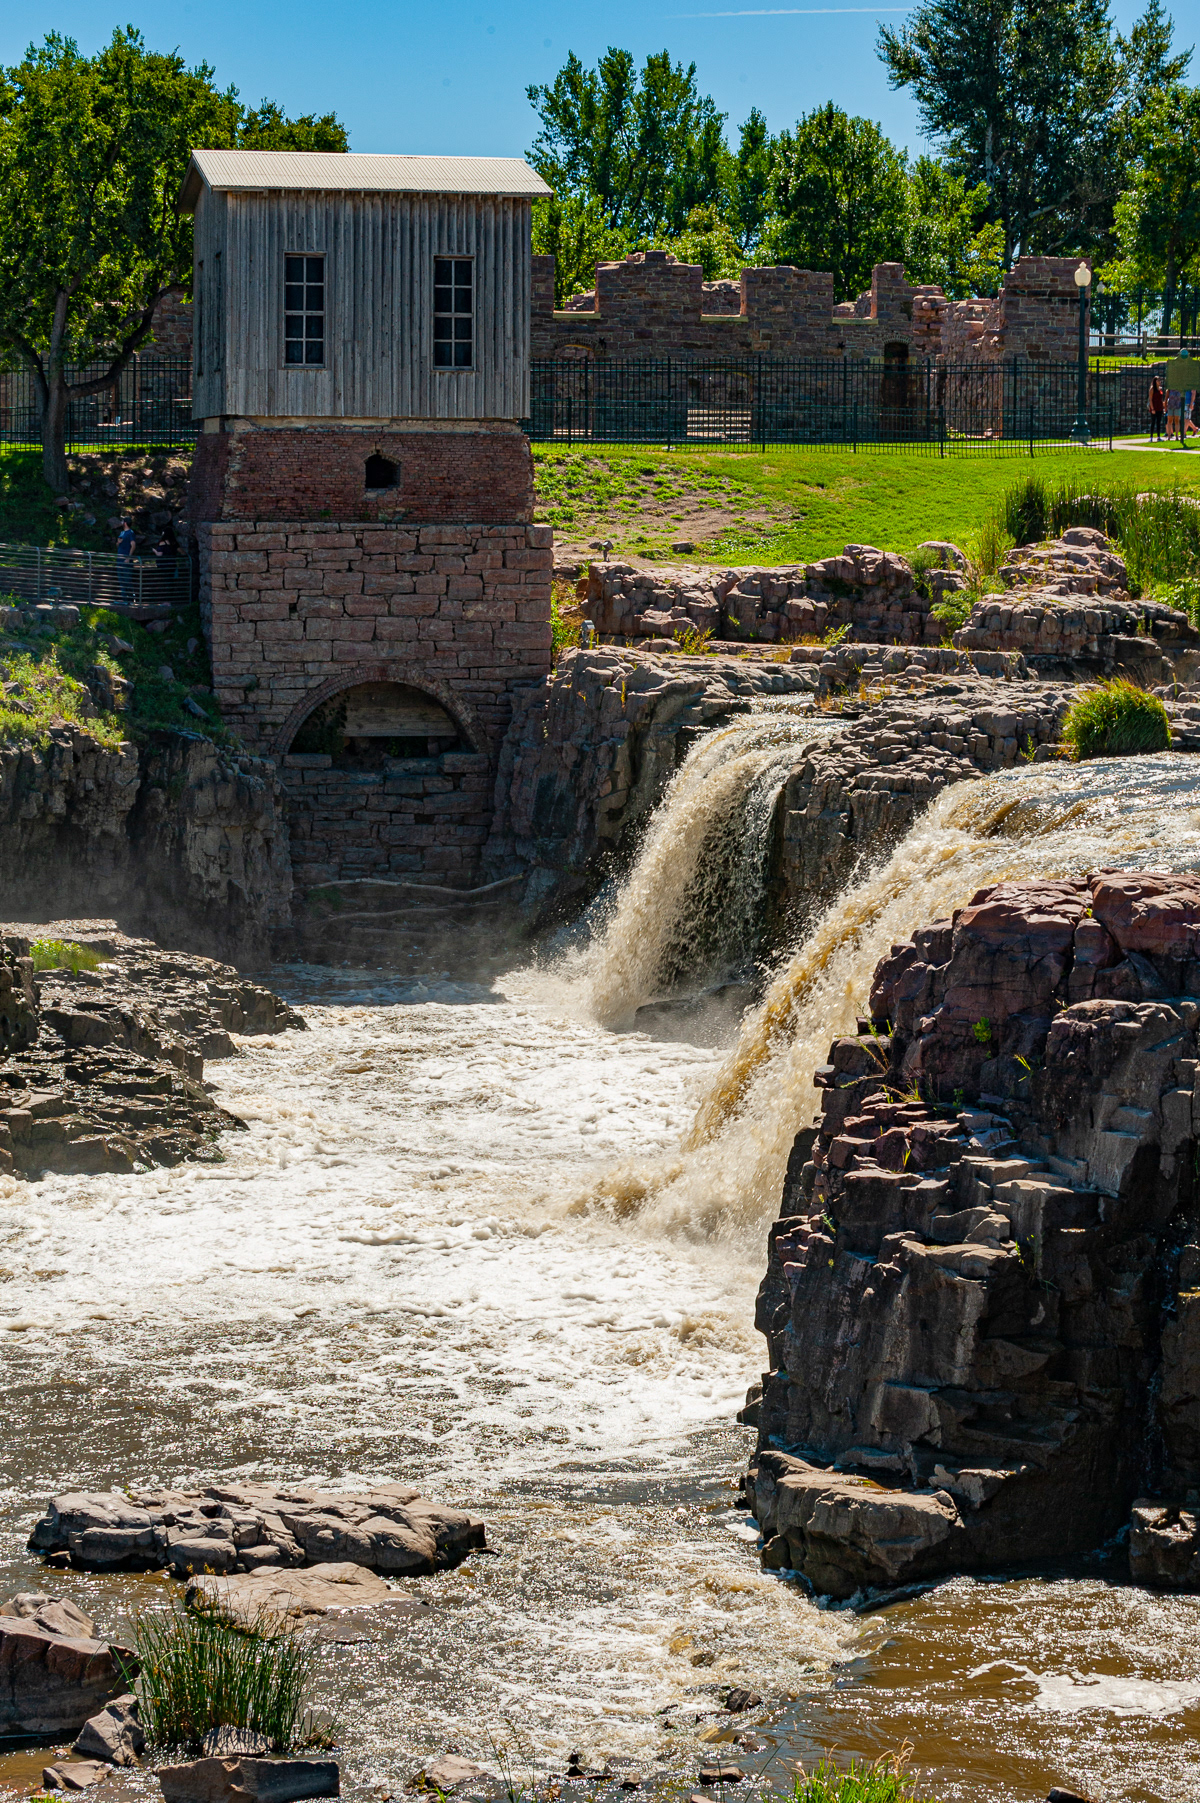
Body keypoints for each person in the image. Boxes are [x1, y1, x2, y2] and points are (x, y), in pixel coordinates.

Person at [115, 518, 136, 604]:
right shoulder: (122, 533)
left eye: (122, 521)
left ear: (125, 523)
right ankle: (124, 599)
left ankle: (131, 599)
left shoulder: (130, 533)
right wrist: (118, 543)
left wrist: (128, 558)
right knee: (121, 580)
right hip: (119, 559)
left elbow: (133, 545)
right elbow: (117, 545)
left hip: (125, 560)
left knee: (127, 580)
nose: (121, 522)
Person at [1148, 375, 1166, 441]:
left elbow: (1161, 399)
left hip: (1159, 407)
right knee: (1153, 422)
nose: (1159, 382)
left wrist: (1163, 407)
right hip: (1154, 407)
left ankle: (1158, 437)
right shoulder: (1152, 389)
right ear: (1155, 381)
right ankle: (1151, 437)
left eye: (1159, 380)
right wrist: (1152, 408)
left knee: (1158, 422)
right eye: (1158, 380)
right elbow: (1150, 399)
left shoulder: (1160, 389)